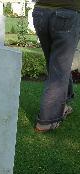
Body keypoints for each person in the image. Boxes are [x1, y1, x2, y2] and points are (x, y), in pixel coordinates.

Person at [33, 0, 80, 132]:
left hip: (40, 12)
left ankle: (63, 102)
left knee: (55, 62)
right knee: (59, 68)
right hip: (68, 12)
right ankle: (46, 122)